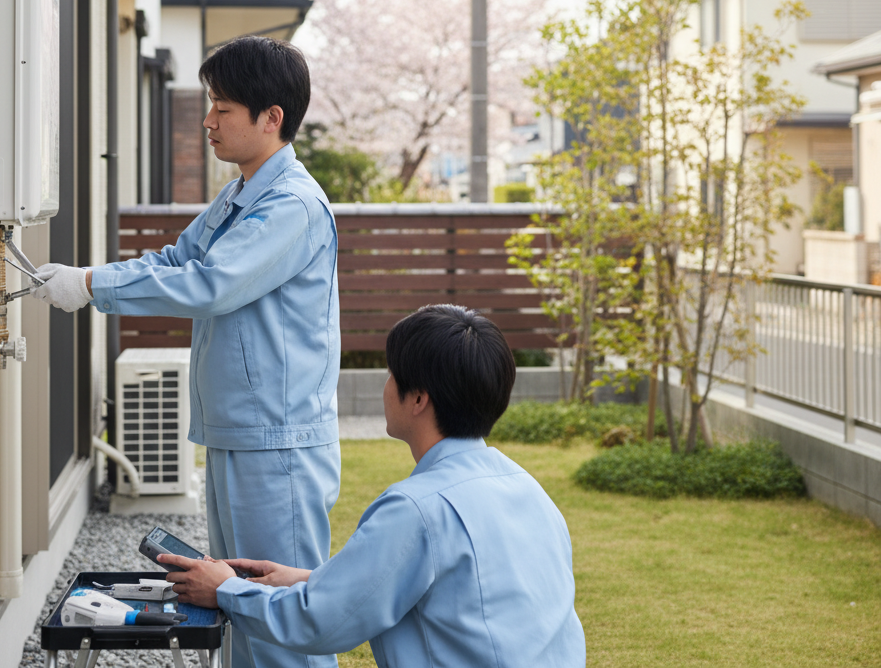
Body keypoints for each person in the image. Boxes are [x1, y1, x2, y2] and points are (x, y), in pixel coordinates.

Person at [31, 35, 341, 668]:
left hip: (277, 441)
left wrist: (89, 286)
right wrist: (89, 276)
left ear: (271, 118)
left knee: (279, 620)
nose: (208, 121)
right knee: (238, 605)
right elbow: (179, 259)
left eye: (223, 108)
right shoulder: (240, 194)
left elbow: (210, 284)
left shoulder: (290, 206)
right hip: (241, 431)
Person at [160, 305, 587, 668]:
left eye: (391, 374)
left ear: (418, 399)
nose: (386, 386)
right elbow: (458, 592)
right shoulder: (528, 488)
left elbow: (320, 622)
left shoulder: (417, 509)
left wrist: (225, 590)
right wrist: (309, 579)